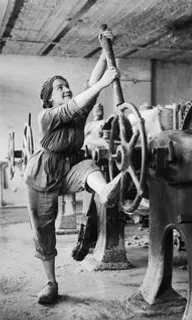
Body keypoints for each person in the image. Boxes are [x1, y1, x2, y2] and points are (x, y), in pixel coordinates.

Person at [24, 28, 121, 305]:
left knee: (89, 164)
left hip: (68, 169)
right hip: (41, 175)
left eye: (67, 86)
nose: (66, 89)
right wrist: (103, 82)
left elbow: (90, 84)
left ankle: (105, 193)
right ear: (50, 99)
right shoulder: (48, 116)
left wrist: (105, 48)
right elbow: (92, 88)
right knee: (44, 231)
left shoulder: (78, 115)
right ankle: (50, 283)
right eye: (59, 88)